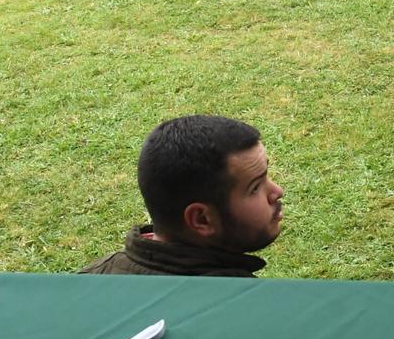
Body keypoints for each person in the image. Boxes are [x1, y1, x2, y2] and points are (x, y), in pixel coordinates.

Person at [81, 116, 285, 277]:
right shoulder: (242, 306)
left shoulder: (92, 278)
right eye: (255, 187)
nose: (277, 192)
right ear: (202, 219)